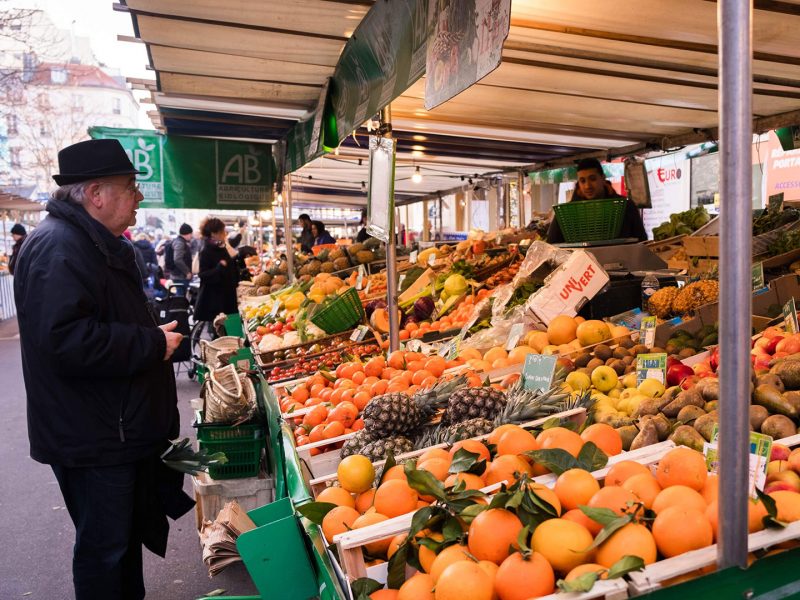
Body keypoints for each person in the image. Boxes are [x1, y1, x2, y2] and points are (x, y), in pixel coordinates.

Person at [12, 139, 192, 599]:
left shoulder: (87, 243)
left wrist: (150, 329)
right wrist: (151, 342)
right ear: (96, 194)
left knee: (119, 545)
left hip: (110, 428)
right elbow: (65, 342)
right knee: (105, 552)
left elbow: (95, 320)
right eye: (130, 187)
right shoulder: (60, 248)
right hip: (94, 435)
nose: (138, 198)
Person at [546, 157, 647, 244]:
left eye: (593, 179)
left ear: (603, 178)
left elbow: (642, 241)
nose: (587, 186)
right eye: (582, 181)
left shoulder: (626, 206)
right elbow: (551, 245)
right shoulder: (567, 212)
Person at [194, 217, 239, 322]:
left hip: (228, 297)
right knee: (222, 331)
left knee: (233, 330)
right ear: (214, 233)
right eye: (222, 232)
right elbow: (203, 274)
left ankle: (234, 338)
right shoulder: (206, 250)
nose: (225, 234)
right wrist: (219, 268)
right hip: (217, 301)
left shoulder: (221, 247)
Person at [169, 223, 193, 290]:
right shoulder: (180, 243)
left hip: (178, 275)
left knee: (181, 296)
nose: (191, 236)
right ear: (187, 233)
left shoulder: (179, 241)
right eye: (191, 234)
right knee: (181, 297)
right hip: (180, 276)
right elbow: (177, 259)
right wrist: (187, 272)